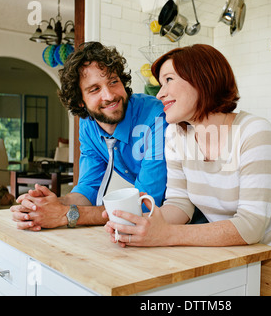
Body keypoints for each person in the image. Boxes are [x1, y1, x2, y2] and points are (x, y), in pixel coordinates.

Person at [104, 44, 271, 296]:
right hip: (255, 262)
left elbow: (251, 226)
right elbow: (180, 203)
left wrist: (166, 234)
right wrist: (146, 225)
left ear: (202, 80)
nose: (160, 94)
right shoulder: (177, 134)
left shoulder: (253, 131)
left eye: (169, 80)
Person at [10, 41, 168, 231]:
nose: (109, 95)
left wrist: (65, 215)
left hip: (182, 219)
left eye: (113, 82)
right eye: (94, 89)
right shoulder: (89, 125)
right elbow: (87, 189)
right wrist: (44, 206)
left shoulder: (155, 117)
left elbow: (144, 204)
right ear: (80, 102)